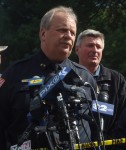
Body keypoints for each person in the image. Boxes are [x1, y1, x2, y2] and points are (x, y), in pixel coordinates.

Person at [0, 6, 97, 149]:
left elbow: (96, 128)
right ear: (43, 33)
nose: (68, 36)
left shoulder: (85, 77)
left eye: (72, 32)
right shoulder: (15, 73)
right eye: (62, 30)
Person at [75, 29, 126, 141]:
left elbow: (125, 116)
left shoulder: (116, 80)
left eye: (98, 47)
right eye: (90, 45)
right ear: (77, 49)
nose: (95, 50)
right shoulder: (68, 77)